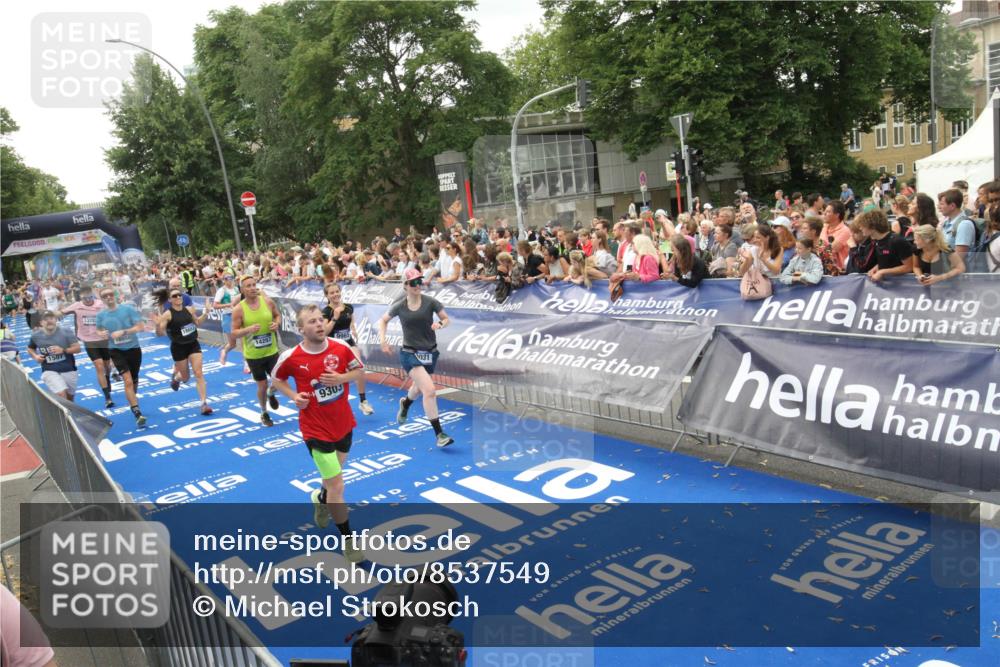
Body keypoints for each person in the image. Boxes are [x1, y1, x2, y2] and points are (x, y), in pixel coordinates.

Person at [271, 305, 365, 563]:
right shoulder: (291, 356)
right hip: (314, 429)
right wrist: (293, 396)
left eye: (321, 320)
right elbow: (276, 379)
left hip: (344, 424)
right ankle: (348, 540)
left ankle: (319, 498)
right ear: (301, 329)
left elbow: (359, 371)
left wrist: (342, 378)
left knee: (331, 483)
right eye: (312, 322)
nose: (319, 324)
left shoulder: (340, 348)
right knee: (337, 485)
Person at [378, 268, 454, 448]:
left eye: (420, 281)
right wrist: (383, 340)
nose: (418, 285)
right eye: (413, 282)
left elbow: (446, 319)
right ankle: (439, 434)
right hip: (409, 353)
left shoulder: (430, 302)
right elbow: (383, 320)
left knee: (418, 388)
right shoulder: (400, 306)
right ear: (405, 285)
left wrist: (440, 324)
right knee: (429, 390)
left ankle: (405, 403)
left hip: (430, 352)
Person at [231, 276, 282, 427]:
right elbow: (234, 332)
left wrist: (276, 324)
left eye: (254, 285)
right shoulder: (239, 309)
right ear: (242, 290)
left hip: (272, 350)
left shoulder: (267, 301)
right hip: (254, 355)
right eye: (248, 286)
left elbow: (278, 315)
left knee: (280, 381)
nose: (253, 288)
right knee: (262, 385)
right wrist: (248, 330)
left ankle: (271, 393)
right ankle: (264, 412)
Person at [156, 288, 213, 415]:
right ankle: (176, 378)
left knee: (198, 373)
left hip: (193, 344)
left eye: (179, 295)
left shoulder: (189, 309)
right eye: (174, 296)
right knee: (186, 377)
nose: (178, 297)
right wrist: (158, 324)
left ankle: (204, 403)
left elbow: (197, 322)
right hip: (178, 347)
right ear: (170, 300)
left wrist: (206, 312)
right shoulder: (167, 314)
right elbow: (160, 333)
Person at [57, 285, 115, 408]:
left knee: (107, 365)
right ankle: (107, 397)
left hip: (103, 339)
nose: (88, 300)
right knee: (99, 366)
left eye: (90, 297)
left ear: (93, 296)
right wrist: (49, 314)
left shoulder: (101, 304)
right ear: (80, 298)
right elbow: (61, 312)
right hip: (89, 341)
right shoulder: (77, 305)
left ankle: (108, 378)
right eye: (85, 298)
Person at [95, 288, 146, 426]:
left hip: (133, 349)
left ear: (115, 296)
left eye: (110, 294)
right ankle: (136, 411)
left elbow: (140, 326)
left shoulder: (128, 309)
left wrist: (123, 332)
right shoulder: (100, 315)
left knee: (134, 379)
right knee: (128, 381)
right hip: (116, 350)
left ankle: (133, 400)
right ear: (102, 299)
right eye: (105, 296)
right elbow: (98, 329)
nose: (108, 297)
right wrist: (101, 334)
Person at [322, 283, 374, 415]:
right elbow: (324, 332)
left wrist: (353, 328)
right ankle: (331, 404)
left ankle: (363, 401)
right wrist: (335, 317)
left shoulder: (349, 307)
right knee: (334, 376)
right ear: (327, 296)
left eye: (337, 291)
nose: (335, 295)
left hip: (348, 343)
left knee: (360, 368)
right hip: (333, 347)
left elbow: (350, 318)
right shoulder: (326, 311)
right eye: (332, 293)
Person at [28, 311, 81, 402]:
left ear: (56, 320)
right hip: (49, 370)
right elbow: (30, 348)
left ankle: (68, 413)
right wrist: (35, 356)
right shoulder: (36, 336)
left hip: (68, 368)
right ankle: (64, 415)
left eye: (51, 318)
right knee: (61, 393)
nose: (49, 321)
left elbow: (78, 349)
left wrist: (63, 350)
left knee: (70, 397)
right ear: (41, 322)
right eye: (46, 319)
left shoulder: (66, 332)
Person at [856, 209, 913, 282]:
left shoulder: (897, 241)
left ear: (873, 227)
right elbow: (888, 261)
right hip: (888, 283)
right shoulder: (877, 241)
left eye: (862, 225)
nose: (860, 228)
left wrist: (882, 272)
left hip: (902, 284)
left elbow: (909, 267)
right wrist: (877, 267)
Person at [938, 188, 977, 262]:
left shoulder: (964, 225)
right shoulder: (946, 223)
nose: (939, 207)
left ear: (952, 206)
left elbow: (959, 257)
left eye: (942, 204)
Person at [214, 273, 240, 366]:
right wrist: (228, 305)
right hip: (228, 316)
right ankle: (224, 352)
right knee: (233, 344)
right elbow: (215, 305)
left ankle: (248, 363)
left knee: (245, 339)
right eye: (227, 278)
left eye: (231, 278)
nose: (229, 280)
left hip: (239, 316)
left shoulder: (237, 289)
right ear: (223, 280)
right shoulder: (221, 290)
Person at [821, 200, 852, 270]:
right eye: (825, 211)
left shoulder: (845, 231)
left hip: (840, 272)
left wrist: (824, 228)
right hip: (825, 268)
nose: (824, 213)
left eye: (828, 212)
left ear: (837, 215)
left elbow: (827, 252)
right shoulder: (825, 228)